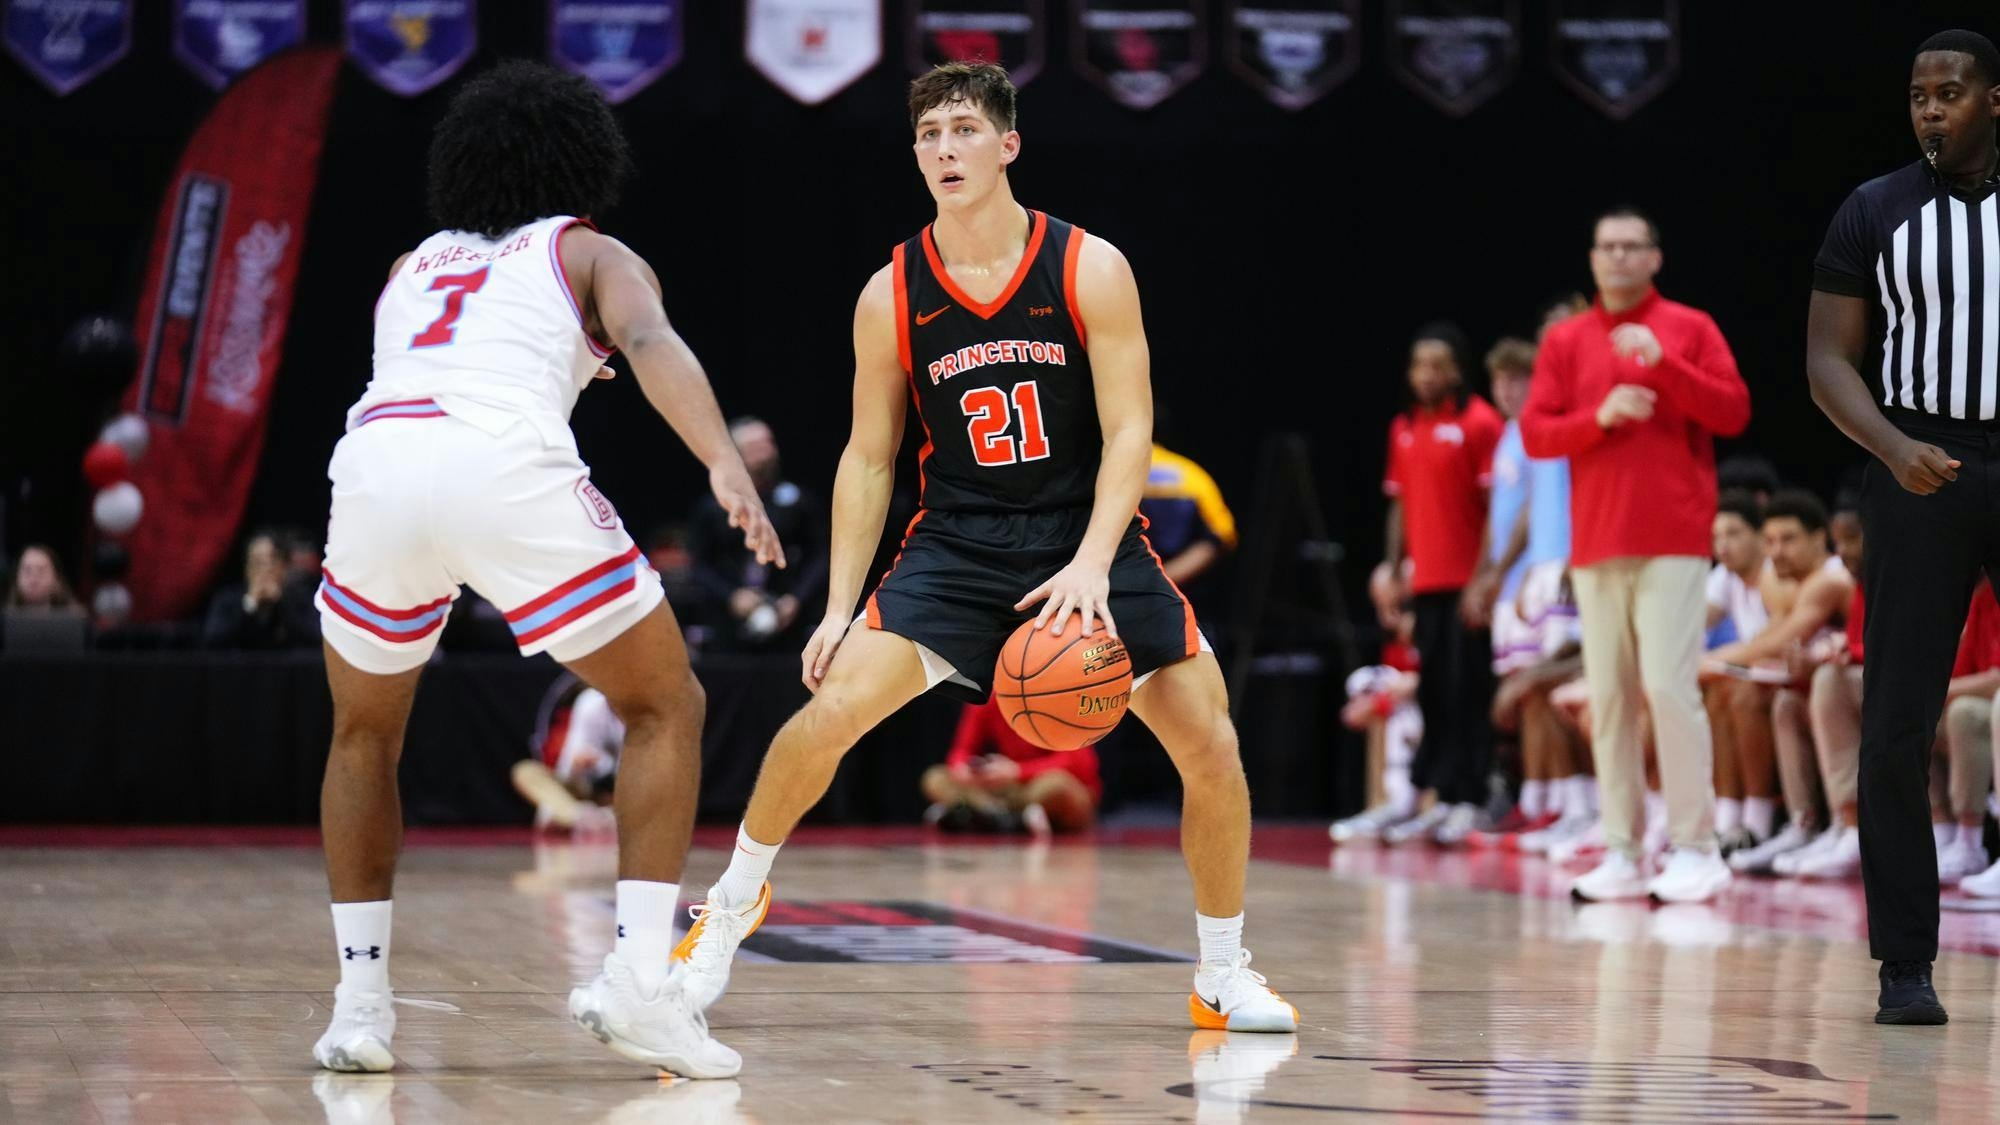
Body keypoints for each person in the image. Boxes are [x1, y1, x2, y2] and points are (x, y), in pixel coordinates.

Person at [671, 62, 1299, 1036]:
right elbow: (869, 457)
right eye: (927, 135)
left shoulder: (1088, 266)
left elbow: (1130, 432)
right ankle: (729, 905)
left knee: (1208, 742)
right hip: (957, 543)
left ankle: (1220, 972)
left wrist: (1092, 563)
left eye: (963, 129)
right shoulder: (890, 292)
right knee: (827, 709)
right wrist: (839, 605)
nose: (943, 149)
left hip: (1084, 539)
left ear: (1008, 144)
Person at [308, 62, 781, 1077]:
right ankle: (640, 984)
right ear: (582, 165)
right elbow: (649, 338)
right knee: (665, 705)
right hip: (500, 465)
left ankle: (358, 1009)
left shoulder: (407, 266)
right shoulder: (586, 249)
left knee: (361, 734)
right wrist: (721, 460)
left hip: (376, 463)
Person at [1803, 28, 2000, 1025]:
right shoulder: (1873, 210)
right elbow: (1827, 360)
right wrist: (1888, 447)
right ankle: (1903, 966)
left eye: (1949, 93)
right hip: (1918, 464)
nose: (1929, 110)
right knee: (1892, 724)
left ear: (1993, 101)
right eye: (1918, 95)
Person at [1520, 205, 1750, 904]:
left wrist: (1668, 367)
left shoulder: (1690, 327)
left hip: (1674, 539)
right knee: (1612, 697)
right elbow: (1535, 433)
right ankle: (1621, 847)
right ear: (1592, 259)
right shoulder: (1564, 341)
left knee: (1669, 688)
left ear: (1655, 257)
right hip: (1596, 543)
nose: (1618, 257)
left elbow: (1734, 411)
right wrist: (1602, 415)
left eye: (1632, 246)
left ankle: (1696, 845)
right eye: (1607, 247)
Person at [1379, 323, 1505, 847]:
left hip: (1466, 585)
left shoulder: (1480, 423)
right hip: (1425, 584)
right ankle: (1442, 797)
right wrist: (1392, 570)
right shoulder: (1404, 428)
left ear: (1456, 370)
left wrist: (1484, 578)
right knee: (1432, 693)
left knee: (1467, 692)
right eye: (1419, 365)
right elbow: (1400, 504)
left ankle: (1473, 797)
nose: (1427, 375)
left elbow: (1498, 508)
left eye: (1438, 364)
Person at [1709, 491, 1855, 877]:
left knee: (1795, 690)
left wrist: (1695, 665)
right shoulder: (1792, 583)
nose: (1776, 552)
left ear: (1820, 538)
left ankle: (1849, 827)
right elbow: (1767, 643)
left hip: (1866, 686)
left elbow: (1773, 642)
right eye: (1771, 541)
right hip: (1829, 688)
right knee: (1786, 701)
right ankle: (1803, 824)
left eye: (1788, 540)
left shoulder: (1829, 580)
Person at [1466, 337, 1576, 839]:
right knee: (1527, 692)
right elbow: (1499, 514)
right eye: (1500, 380)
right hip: (1516, 581)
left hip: (1545, 569)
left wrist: (1522, 564)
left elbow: (1536, 510)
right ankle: (1539, 798)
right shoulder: (1511, 434)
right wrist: (1487, 573)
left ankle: (1573, 802)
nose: (1508, 389)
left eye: (1519, 378)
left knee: (1551, 687)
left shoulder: (1546, 429)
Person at [684, 418, 828, 651]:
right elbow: (699, 564)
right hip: (728, 622)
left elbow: (821, 556)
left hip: (789, 617)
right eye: (756, 447)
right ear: (736, 454)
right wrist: (732, 596)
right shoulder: (712, 507)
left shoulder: (798, 502)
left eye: (769, 443)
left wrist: (796, 599)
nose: (767, 452)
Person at [1703, 490, 1777, 853]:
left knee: (1738, 692)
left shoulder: (1773, 574)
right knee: (1714, 692)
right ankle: (1726, 816)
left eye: (1733, 533)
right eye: (1716, 536)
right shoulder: (1725, 578)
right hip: (1760, 677)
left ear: (1760, 536)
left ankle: (1759, 821)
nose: (1723, 545)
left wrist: (1707, 661)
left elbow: (1772, 644)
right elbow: (1687, 625)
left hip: (1789, 678)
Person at [921, 697, 1101, 834]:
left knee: (1057, 785)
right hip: (1009, 788)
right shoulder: (990, 697)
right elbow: (961, 751)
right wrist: (963, 768)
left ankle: (974, 813)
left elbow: (1080, 764)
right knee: (936, 778)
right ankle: (1005, 817)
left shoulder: (1059, 697)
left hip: (1040, 788)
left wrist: (1017, 771)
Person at [202, 531, 319, 649]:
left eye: (272, 562)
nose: (266, 569)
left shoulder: (301, 600)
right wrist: (249, 604)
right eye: (258, 562)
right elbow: (212, 641)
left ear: (283, 567)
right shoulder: (228, 600)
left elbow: (315, 639)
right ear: (247, 568)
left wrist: (280, 602)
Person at [6, 544, 78, 609]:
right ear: (16, 578)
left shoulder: (77, 620)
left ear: (57, 579)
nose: (33, 578)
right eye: (27, 571)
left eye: (41, 571)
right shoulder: (4, 621)